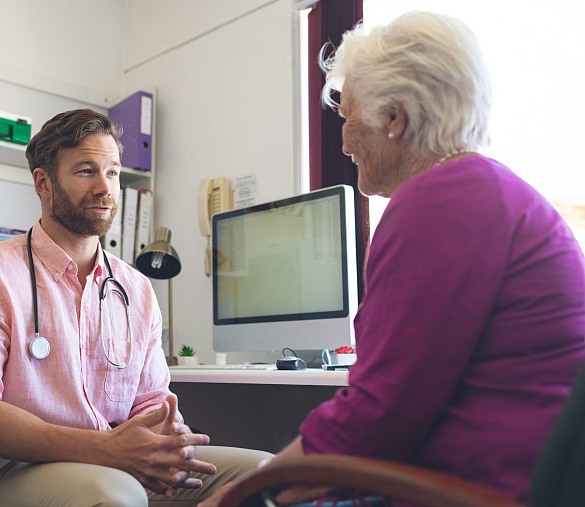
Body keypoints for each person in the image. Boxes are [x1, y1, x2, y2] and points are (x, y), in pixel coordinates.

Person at [199, 11, 585, 506]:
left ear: (394, 118)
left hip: (469, 491)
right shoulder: (486, 190)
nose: (343, 141)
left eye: (347, 118)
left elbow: (375, 416)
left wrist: (245, 496)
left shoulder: (442, 200)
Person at [0, 109, 272, 507]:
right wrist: (102, 448)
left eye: (112, 172)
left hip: (116, 466)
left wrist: (165, 436)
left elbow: (149, 403)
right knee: (113, 495)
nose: (104, 187)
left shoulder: (136, 289)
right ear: (43, 183)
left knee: (265, 474)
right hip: (7, 472)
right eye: (86, 171)